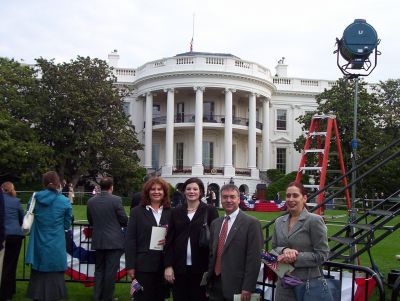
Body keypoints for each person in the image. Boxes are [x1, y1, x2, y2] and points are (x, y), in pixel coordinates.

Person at [271, 181, 329, 301]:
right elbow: (274, 248)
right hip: (283, 285)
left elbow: (322, 255)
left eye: (295, 195)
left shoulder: (314, 221)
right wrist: (285, 250)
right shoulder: (279, 222)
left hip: (307, 286)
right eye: (288, 196)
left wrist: (294, 257)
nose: (291, 199)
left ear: (304, 198)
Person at [164, 177, 219, 301]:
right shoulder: (175, 212)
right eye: (188, 189)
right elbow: (169, 240)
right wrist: (168, 266)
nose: (191, 191)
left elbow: (215, 239)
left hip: (201, 267)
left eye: (195, 189)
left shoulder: (209, 210)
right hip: (179, 267)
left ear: (201, 192)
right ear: (184, 191)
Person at [207, 184, 263, 301]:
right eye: (225, 197)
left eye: (232, 197)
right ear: (220, 199)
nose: (228, 200)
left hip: (237, 286)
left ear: (238, 199)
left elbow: (254, 259)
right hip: (215, 283)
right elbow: (212, 253)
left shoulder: (251, 223)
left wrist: (248, 287)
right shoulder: (216, 223)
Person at [25, 171, 72, 301]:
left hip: (39, 242)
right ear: (58, 182)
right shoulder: (64, 201)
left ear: (44, 183)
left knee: (38, 275)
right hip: (56, 243)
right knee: (55, 276)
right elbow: (67, 224)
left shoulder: (35, 198)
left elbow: (28, 213)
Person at [125, 177, 172, 301]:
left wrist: (169, 241)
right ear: (147, 192)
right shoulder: (136, 212)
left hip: (164, 265)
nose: (156, 192)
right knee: (142, 296)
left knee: (161, 297)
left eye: (159, 189)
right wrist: (130, 266)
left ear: (164, 192)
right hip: (143, 265)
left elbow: (176, 237)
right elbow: (130, 240)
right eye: (153, 189)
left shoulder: (171, 212)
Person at [87, 176, 128, 301]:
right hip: (113, 241)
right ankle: (107, 297)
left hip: (98, 239)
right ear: (112, 187)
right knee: (110, 271)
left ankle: (97, 296)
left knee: (99, 270)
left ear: (100, 186)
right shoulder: (116, 200)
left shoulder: (91, 201)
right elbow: (124, 219)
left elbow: (90, 220)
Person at [0, 182, 24, 301]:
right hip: (15, 235)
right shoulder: (16, 201)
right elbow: (22, 218)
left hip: (3, 234)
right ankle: (8, 292)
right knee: (11, 265)